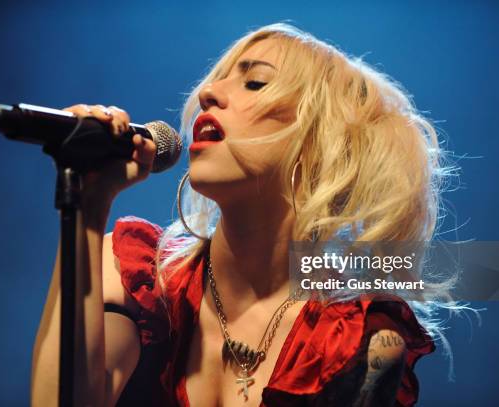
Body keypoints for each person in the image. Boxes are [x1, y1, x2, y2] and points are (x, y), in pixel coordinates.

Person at [31, 23, 443, 406]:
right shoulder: (136, 278)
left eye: (255, 82)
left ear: (317, 144)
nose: (209, 92)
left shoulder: (352, 340)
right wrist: (89, 205)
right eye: (219, 77)